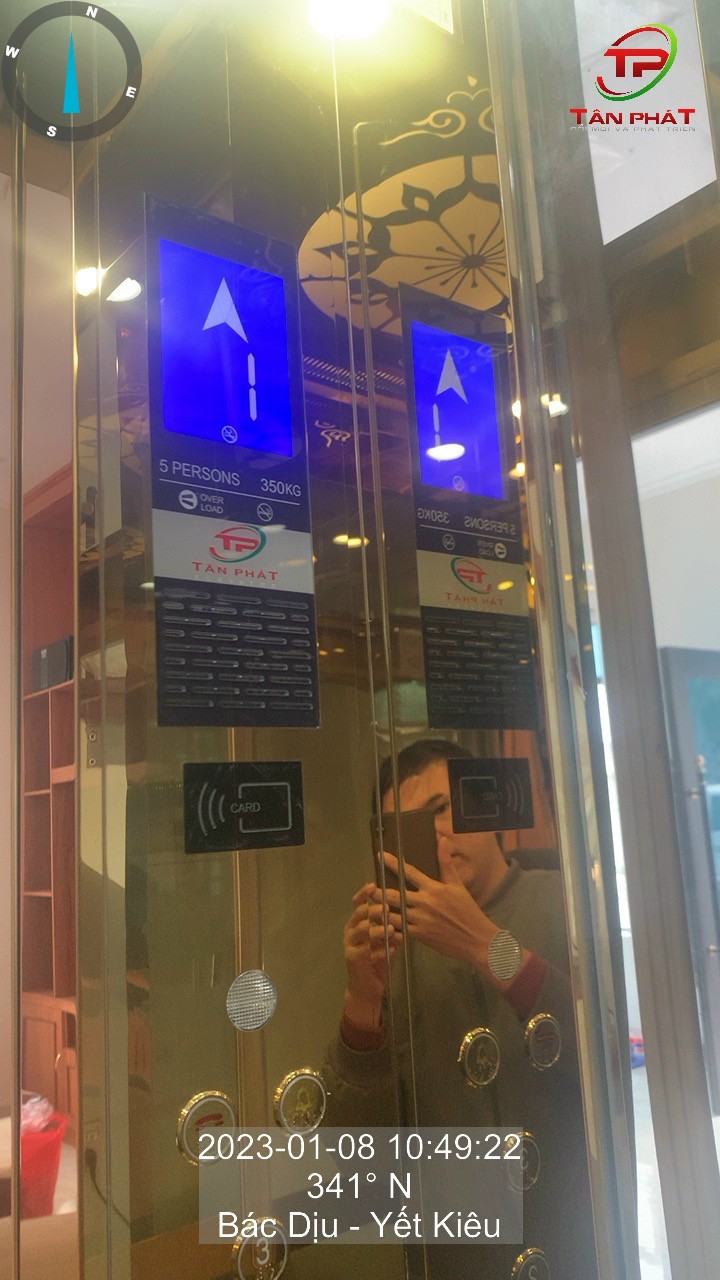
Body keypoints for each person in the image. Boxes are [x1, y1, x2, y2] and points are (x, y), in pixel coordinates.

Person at [323, 738, 600, 1279]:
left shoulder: (568, 902)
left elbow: (615, 1063)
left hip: (580, 1245)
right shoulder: (394, 952)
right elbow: (356, 1163)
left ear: (489, 807)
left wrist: (485, 946)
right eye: (407, 828)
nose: (434, 835)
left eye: (442, 809)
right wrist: (362, 1004)